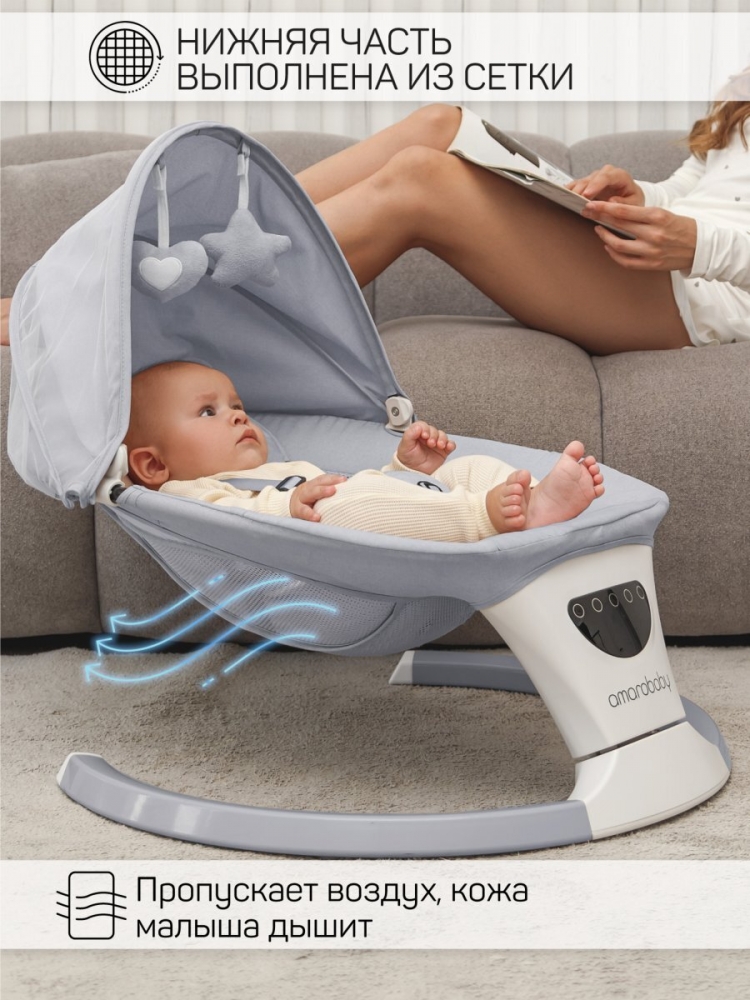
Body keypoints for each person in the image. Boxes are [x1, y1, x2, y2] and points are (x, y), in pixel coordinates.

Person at [124, 361, 605, 542]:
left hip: (385, 506)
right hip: (322, 532)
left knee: (468, 466)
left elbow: (382, 499)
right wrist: (286, 507)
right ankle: (487, 516)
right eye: (208, 412)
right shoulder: (187, 494)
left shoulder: (286, 467)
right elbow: (229, 521)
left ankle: (535, 496)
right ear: (153, 464)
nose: (237, 416)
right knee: (342, 505)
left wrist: (405, 468)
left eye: (237, 405)